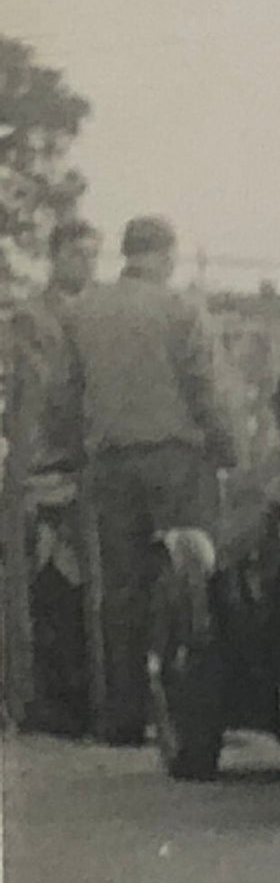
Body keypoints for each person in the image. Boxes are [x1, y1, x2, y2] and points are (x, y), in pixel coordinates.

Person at [62, 215, 239, 746]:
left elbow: (65, 396)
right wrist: (228, 450)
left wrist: (80, 451)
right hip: (175, 461)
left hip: (110, 464)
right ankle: (193, 714)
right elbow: (205, 390)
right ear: (165, 255)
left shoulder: (82, 311)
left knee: (120, 591)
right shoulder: (181, 309)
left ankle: (123, 718)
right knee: (192, 581)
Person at [4, 219, 100, 734]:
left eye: (93, 255)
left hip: (85, 464)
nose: (86, 264)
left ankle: (78, 697)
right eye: (77, 253)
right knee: (47, 580)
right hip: (44, 465)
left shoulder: (96, 313)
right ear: (55, 256)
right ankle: (46, 700)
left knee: (80, 582)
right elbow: (39, 394)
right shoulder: (32, 318)